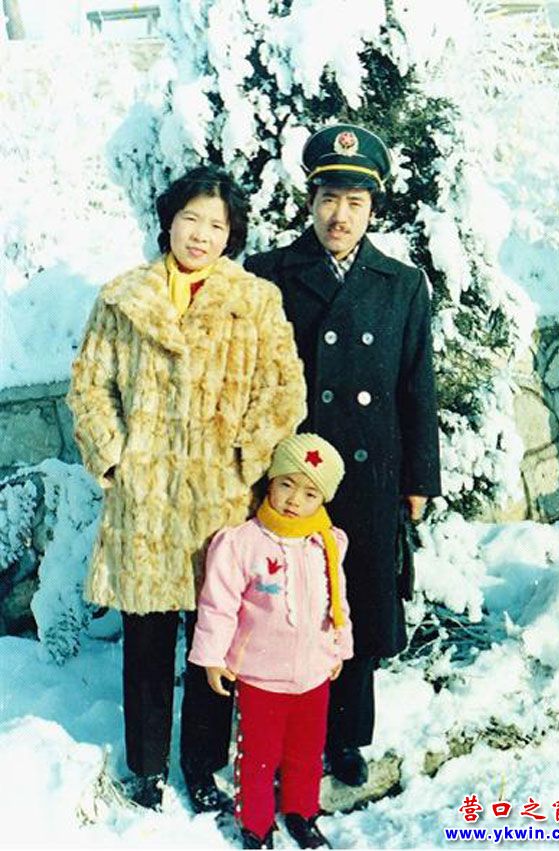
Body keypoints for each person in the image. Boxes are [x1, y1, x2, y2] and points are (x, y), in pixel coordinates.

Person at [67, 165, 306, 812]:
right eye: (190, 219)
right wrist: (114, 458)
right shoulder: (123, 299)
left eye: (216, 225)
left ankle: (203, 767)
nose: (200, 235)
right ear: (168, 222)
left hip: (218, 503)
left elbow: (283, 390)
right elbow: (89, 385)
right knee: (146, 641)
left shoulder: (254, 301)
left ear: (232, 236)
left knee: (216, 637)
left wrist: (244, 460)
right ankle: (146, 769)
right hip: (144, 501)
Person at [244, 124, 442, 787]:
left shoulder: (401, 284)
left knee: (353, 599)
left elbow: (417, 385)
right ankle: (281, 734)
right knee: (286, 605)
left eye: (355, 203)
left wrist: (418, 478)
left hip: (371, 471)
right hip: (292, 475)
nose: (340, 215)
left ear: (372, 209)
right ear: (310, 201)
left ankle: (347, 737)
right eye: (329, 198)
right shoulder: (269, 275)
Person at [188, 433, 352, 849]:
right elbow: (218, 604)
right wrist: (212, 657)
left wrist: (339, 647)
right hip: (260, 676)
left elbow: (338, 600)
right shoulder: (242, 543)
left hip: (314, 672)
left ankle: (302, 812)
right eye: (286, 485)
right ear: (271, 482)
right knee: (258, 758)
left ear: (323, 499)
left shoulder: (327, 543)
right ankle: (256, 825)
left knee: (306, 752)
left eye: (310, 493)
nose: (295, 500)